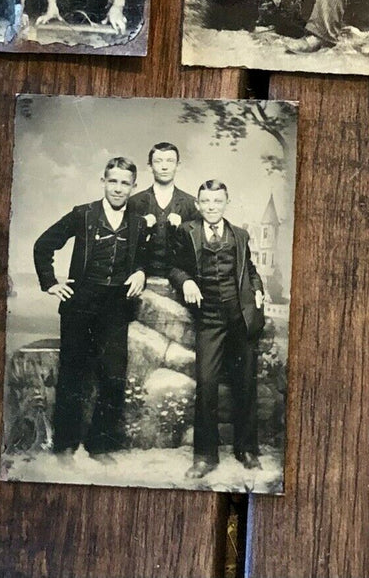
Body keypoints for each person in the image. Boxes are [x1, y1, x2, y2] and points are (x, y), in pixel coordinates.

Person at [33, 157, 147, 462]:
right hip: (79, 303)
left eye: (125, 183)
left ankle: (100, 446)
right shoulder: (82, 214)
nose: (119, 188)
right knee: (73, 374)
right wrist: (50, 283)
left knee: (113, 376)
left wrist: (140, 272)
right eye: (113, 181)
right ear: (104, 182)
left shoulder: (138, 222)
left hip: (115, 307)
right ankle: (65, 447)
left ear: (133, 186)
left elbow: (143, 258)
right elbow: (43, 244)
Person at [168, 180, 265, 480]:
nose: (211, 207)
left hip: (240, 318)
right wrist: (186, 281)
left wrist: (258, 289)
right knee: (207, 384)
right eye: (206, 202)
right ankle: (205, 456)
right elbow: (174, 267)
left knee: (246, 384)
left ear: (226, 203)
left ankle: (246, 449)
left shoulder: (240, 235)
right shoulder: (187, 232)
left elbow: (249, 270)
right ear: (197, 205)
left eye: (217, 201)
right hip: (209, 318)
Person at [127, 143, 199, 279]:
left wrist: (183, 228)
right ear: (149, 167)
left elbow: (198, 251)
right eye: (158, 161)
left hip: (181, 280)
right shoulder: (134, 202)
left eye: (170, 161)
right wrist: (141, 227)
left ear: (178, 165)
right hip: (140, 277)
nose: (164, 167)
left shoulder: (191, 204)